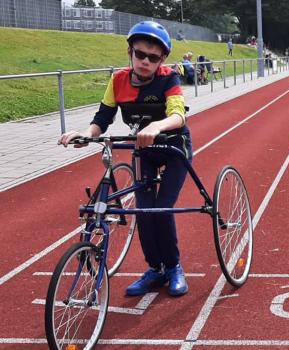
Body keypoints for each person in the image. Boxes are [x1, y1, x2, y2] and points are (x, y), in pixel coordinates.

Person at [57, 21, 192, 297]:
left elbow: (178, 115)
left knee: (162, 209)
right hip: (145, 150)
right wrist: (86, 134)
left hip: (174, 147)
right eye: (140, 54)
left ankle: (174, 267)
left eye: (153, 58)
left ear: (162, 60)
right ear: (129, 52)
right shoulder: (118, 80)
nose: (145, 61)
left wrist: (157, 126)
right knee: (143, 212)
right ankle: (155, 269)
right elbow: (102, 119)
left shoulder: (168, 78)